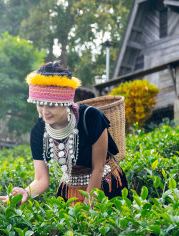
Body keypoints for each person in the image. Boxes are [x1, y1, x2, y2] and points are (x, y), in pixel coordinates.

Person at [11, 61, 128, 204]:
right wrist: (26, 192)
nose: (44, 111)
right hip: (70, 188)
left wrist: (88, 208)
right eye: (40, 104)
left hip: (104, 183)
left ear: (66, 103)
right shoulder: (39, 130)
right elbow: (41, 180)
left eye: (51, 105)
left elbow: (99, 168)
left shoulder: (91, 117)